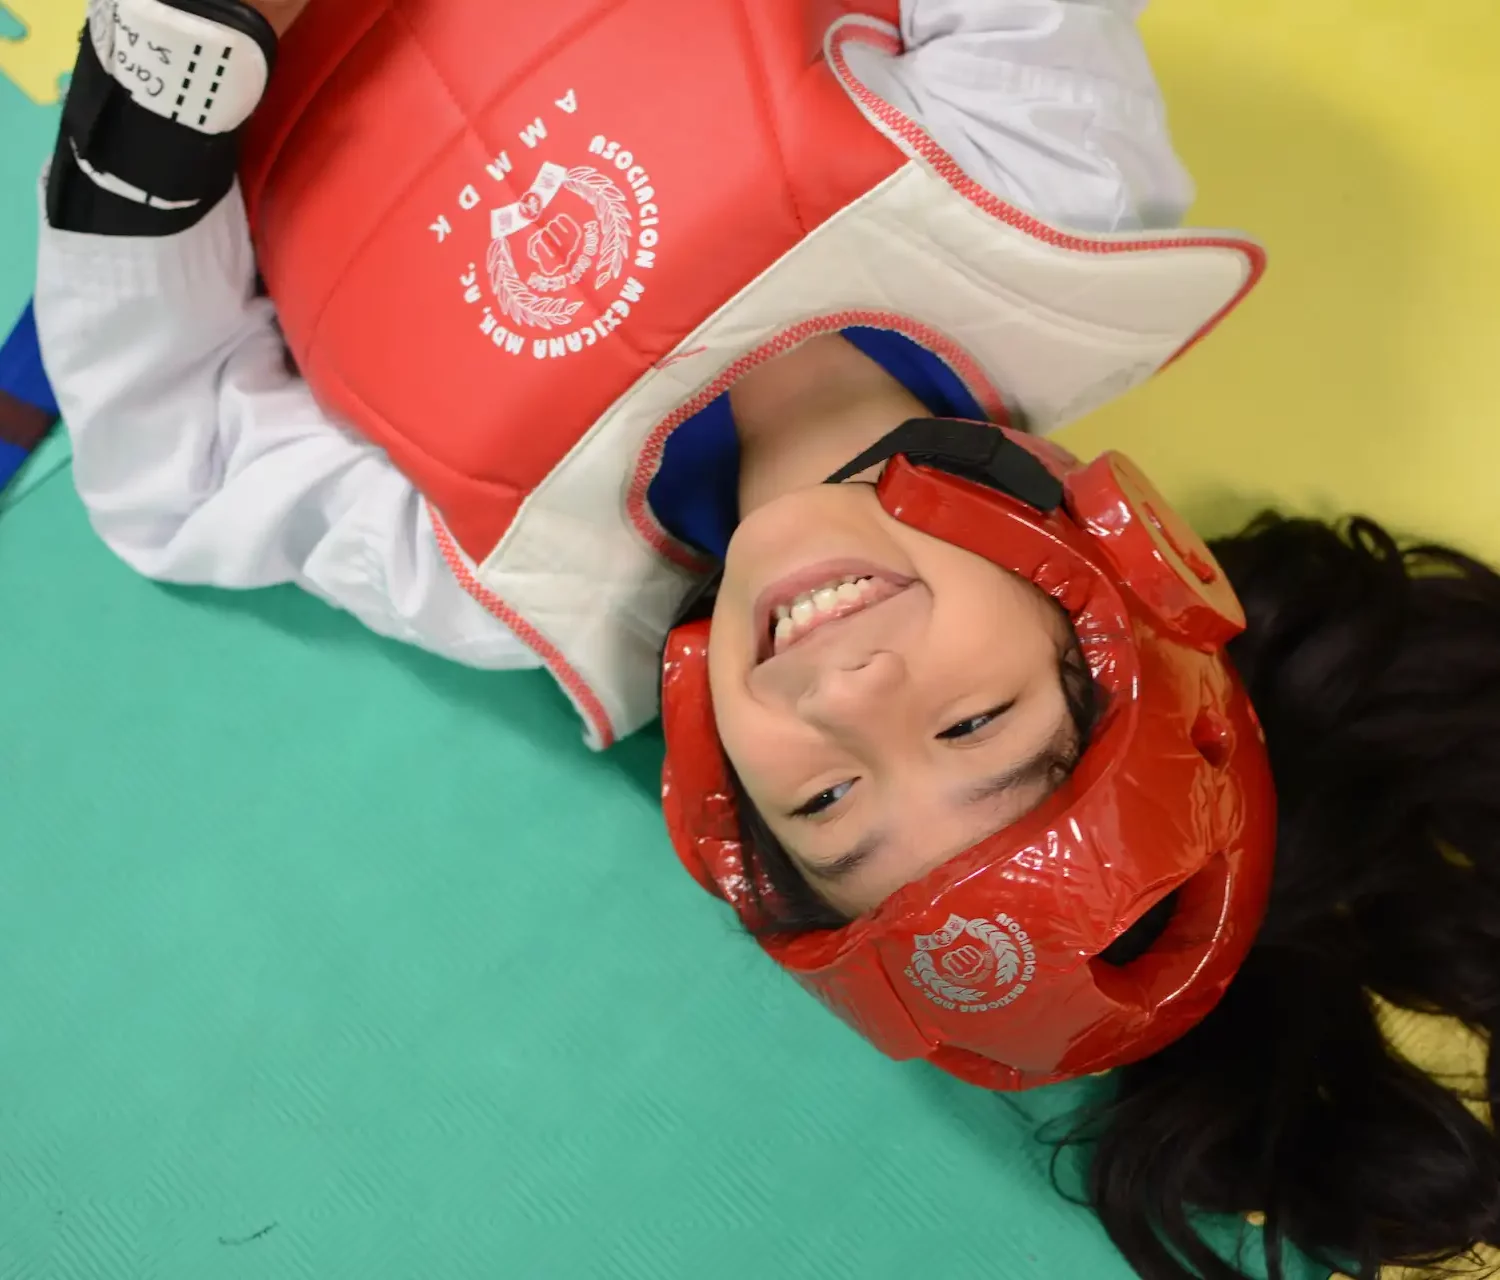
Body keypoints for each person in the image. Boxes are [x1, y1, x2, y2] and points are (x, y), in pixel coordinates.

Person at [31, 2, 1500, 1278]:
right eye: (974, 728)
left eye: (825, 799)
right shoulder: (1038, 195)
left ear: (722, 794)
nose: (852, 695)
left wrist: (178, 64)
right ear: (1099, 594)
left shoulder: (501, 577)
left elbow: (171, 466)